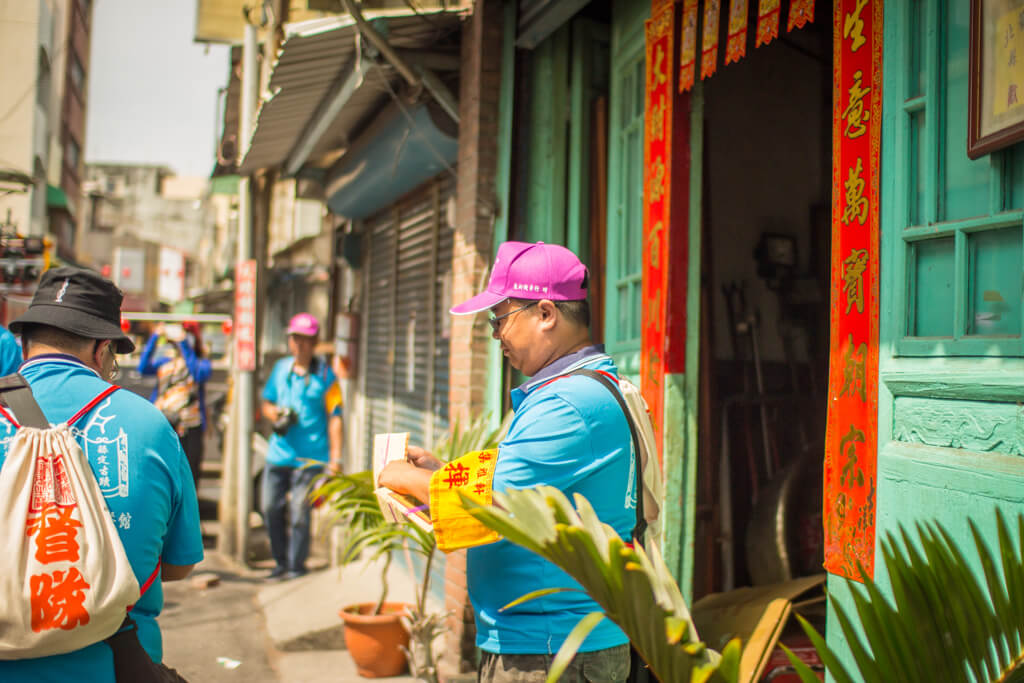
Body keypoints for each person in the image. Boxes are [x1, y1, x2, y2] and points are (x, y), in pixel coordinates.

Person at [379, 241, 635, 682]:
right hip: (546, 644)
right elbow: (518, 485)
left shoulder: (570, 402)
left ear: (546, 314)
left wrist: (399, 475)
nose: (496, 334)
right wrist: (441, 472)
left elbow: (492, 497)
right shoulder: (568, 392)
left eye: (500, 319)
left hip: (554, 651)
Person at [0, 267, 204, 682]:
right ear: (102, 349)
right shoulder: (151, 426)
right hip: (117, 667)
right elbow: (179, 565)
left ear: (25, 341)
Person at [260, 312, 344, 580]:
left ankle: (296, 567)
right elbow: (266, 404)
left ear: (315, 341)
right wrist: (277, 415)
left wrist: (336, 459)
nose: (300, 344)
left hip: (311, 459)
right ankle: (280, 562)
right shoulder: (280, 369)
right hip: (278, 455)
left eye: (306, 340)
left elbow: (336, 417)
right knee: (269, 507)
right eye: (295, 338)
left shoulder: (327, 376)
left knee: (299, 513)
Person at [138, 321, 212, 488]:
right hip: (165, 422)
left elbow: (197, 374)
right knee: (164, 468)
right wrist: (156, 336)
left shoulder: (201, 363)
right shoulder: (165, 362)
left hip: (191, 426)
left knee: (190, 472)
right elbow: (143, 367)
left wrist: (184, 343)